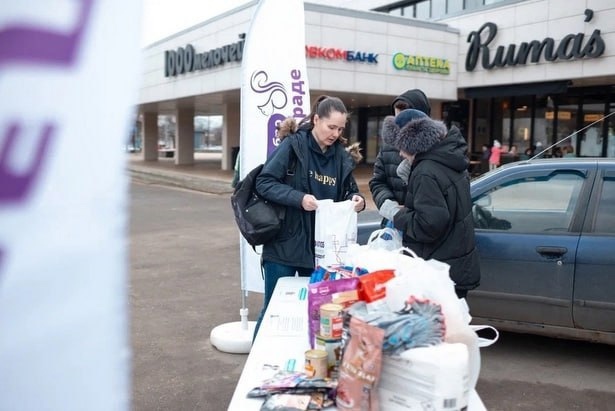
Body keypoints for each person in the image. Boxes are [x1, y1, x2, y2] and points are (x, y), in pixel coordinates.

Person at [254, 95, 366, 337]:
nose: (335, 134)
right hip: (284, 246)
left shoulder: (339, 157)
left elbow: (350, 191)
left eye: (340, 128)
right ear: (316, 119)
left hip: (320, 253)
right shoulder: (294, 145)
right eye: (331, 127)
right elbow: (264, 182)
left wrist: (358, 200)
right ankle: (257, 365)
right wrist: (298, 198)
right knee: (273, 309)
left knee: (315, 313)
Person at [378, 108, 480, 298]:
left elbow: (429, 225)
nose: (400, 153)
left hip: (436, 272)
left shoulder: (426, 171)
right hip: (452, 267)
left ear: (412, 142)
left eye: (401, 146)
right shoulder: (449, 160)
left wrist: (396, 213)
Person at [369, 89, 431, 227]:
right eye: (396, 118)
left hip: (421, 226)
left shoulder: (434, 147)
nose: (399, 126)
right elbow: (377, 182)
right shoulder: (388, 146)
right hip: (393, 222)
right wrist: (388, 204)